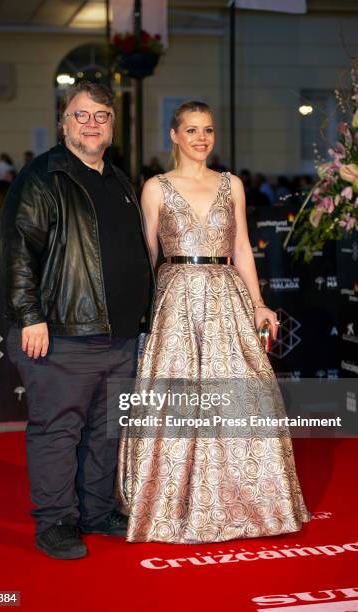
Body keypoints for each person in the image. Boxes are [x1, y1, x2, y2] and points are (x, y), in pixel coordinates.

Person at [117, 100, 310, 543]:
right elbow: (147, 255)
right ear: (174, 135)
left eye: (207, 130)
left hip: (226, 295)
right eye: (191, 130)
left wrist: (259, 302)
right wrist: (137, 310)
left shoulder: (232, 184)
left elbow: (242, 246)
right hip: (176, 296)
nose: (201, 138)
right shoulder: (155, 188)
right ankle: (169, 506)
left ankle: (252, 503)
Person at [0, 81, 154, 560]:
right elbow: (18, 249)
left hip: (121, 335)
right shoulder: (43, 176)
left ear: (111, 124)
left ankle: (97, 510)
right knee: (58, 430)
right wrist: (30, 315)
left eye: (101, 116)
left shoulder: (118, 179)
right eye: (81, 115)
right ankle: (56, 522)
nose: (91, 123)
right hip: (63, 332)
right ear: (64, 122)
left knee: (106, 430)